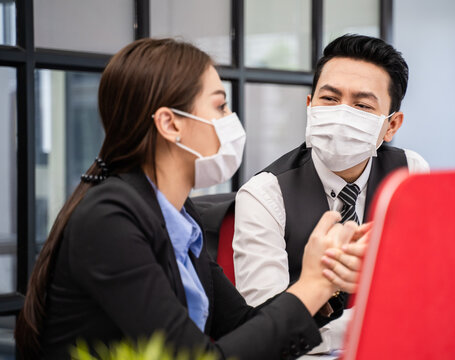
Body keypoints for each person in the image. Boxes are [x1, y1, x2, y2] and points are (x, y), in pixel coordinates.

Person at [14, 38, 370, 360]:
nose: (231, 120)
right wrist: (311, 285)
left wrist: (327, 281)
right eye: (219, 107)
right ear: (170, 124)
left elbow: (244, 325)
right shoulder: (110, 220)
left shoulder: (180, 216)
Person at [233, 34, 430, 352]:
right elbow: (265, 327)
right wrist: (385, 321)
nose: (342, 114)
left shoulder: (411, 175)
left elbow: (429, 287)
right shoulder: (264, 194)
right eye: (329, 99)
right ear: (310, 106)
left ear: (391, 126)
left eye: (362, 105)